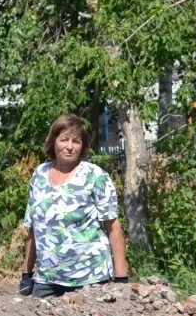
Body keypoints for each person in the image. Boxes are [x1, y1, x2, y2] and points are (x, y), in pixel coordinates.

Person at [20, 114, 128, 298]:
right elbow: (33, 228)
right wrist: (26, 273)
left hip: (89, 279)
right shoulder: (39, 175)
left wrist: (121, 279)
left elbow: (113, 227)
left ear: (82, 146)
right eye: (64, 140)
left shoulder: (95, 176)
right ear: (53, 141)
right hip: (47, 280)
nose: (70, 147)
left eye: (76, 141)